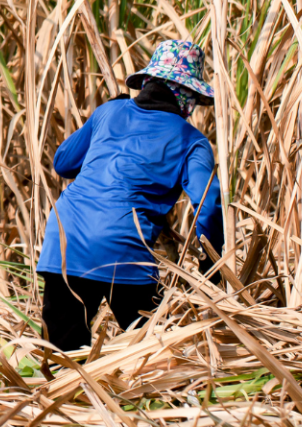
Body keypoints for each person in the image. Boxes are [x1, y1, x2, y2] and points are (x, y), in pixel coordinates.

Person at [35, 40, 224, 353]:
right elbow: (210, 203)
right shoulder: (193, 141)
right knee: (155, 350)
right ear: (187, 96)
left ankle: (69, 401)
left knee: (63, 357)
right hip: (123, 247)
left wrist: (103, 120)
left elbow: (63, 163)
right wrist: (211, 264)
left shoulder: (109, 111)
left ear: (148, 82)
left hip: (65, 240)